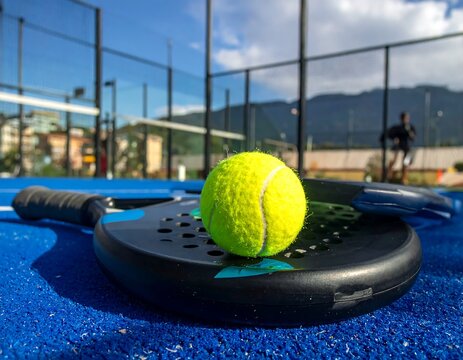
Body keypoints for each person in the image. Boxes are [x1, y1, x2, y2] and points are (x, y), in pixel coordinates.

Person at [385, 112, 416, 184]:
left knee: (406, 163)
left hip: (406, 148)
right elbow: (389, 134)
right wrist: (395, 138)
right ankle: (388, 177)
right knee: (393, 161)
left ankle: (404, 180)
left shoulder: (410, 127)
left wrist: (409, 131)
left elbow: (413, 137)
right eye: (405, 118)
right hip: (398, 147)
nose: (407, 120)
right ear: (402, 119)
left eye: (408, 118)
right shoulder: (397, 128)